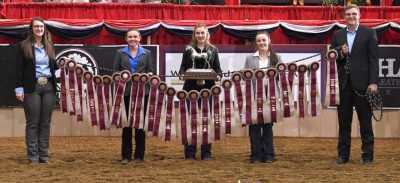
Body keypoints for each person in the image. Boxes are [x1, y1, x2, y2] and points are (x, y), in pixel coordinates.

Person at [330, 4, 378, 165]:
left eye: (354, 14)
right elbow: (333, 57)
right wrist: (341, 53)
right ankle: (343, 155)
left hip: (363, 85)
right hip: (343, 85)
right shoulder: (337, 34)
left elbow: (373, 60)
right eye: (348, 14)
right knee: (344, 123)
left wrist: (373, 82)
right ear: (344, 16)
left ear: (359, 15)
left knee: (365, 122)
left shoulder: (369, 33)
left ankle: (367, 155)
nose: (351, 16)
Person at [15, 17, 58, 165]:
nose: (39, 29)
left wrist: (67, 65)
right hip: (31, 87)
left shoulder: (50, 45)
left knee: (45, 123)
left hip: (49, 87)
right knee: (33, 123)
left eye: (41, 26)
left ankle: (44, 156)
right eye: (36, 26)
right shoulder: (24, 46)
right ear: (31, 29)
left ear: (44, 28)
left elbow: (55, 66)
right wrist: (19, 89)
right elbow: (18, 69)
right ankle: (33, 156)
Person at [179, 23, 222, 160]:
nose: (200, 35)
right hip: (190, 89)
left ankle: (206, 153)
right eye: (197, 33)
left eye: (202, 33)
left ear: (207, 34)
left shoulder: (213, 50)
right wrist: (181, 74)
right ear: (194, 34)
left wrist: (219, 75)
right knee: (190, 120)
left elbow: (217, 68)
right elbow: (183, 67)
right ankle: (190, 153)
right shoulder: (188, 49)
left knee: (206, 120)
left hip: (208, 90)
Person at [113, 28, 155, 165]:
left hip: (143, 93)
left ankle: (139, 156)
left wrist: (148, 75)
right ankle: (126, 156)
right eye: (130, 37)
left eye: (135, 36)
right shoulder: (120, 53)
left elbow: (150, 70)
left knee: (140, 126)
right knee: (126, 126)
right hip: (125, 92)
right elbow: (115, 71)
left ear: (140, 38)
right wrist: (120, 76)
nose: (132, 39)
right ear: (126, 39)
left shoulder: (147, 53)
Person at [243, 31, 279, 164]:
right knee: (254, 127)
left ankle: (269, 154)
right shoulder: (249, 59)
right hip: (253, 97)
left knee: (268, 127)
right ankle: (256, 154)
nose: (261, 43)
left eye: (264, 40)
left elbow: (281, 78)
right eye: (259, 41)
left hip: (270, 98)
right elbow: (247, 78)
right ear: (256, 43)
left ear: (269, 41)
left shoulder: (276, 58)